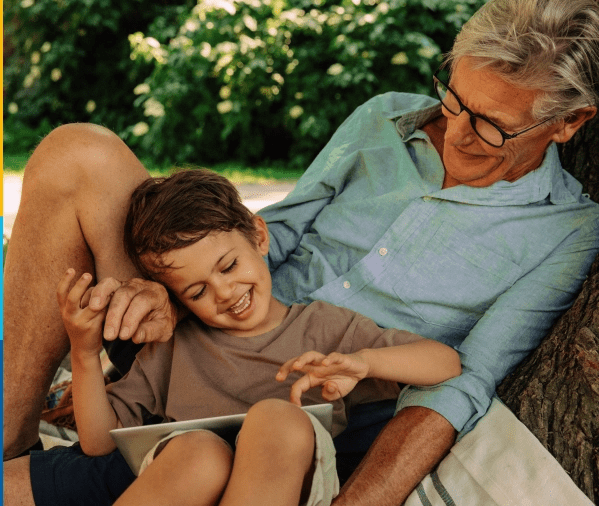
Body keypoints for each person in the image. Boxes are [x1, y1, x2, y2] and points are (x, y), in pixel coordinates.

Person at [3, 0, 599, 504]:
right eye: (454, 98)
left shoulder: (567, 229)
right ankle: (10, 430)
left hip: (317, 411)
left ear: (569, 123)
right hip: (204, 338)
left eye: (492, 125)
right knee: (77, 151)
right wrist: (168, 291)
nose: (459, 132)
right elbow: (271, 233)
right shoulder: (383, 117)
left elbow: (466, 379)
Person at [5, 169, 461, 506]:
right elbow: (99, 445)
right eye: (198, 291)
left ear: (258, 237)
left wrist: (365, 362)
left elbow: (445, 363)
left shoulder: (325, 327)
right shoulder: (173, 347)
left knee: (275, 418)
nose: (225, 293)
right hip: (189, 488)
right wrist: (84, 353)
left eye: (228, 266)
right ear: (177, 297)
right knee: (197, 451)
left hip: (286, 484)